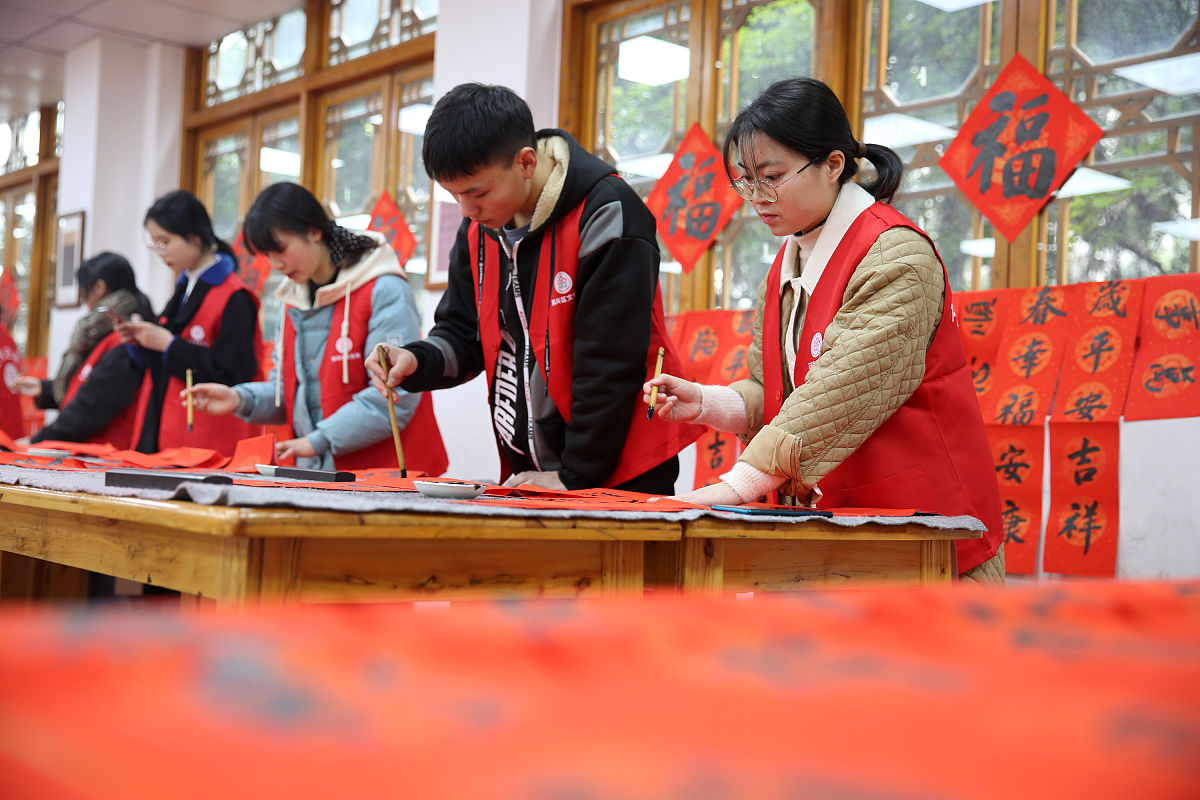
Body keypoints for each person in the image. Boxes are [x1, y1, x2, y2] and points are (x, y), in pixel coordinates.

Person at [643, 77, 1004, 582]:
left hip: (923, 532)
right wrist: (705, 403)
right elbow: (777, 391)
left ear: (834, 164)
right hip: (835, 531)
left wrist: (731, 489)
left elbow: (836, 397)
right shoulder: (789, 257)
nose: (756, 197)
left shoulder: (895, 256)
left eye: (770, 176)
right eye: (744, 180)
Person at [366, 82, 701, 493]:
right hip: (536, 472)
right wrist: (415, 360)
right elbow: (463, 336)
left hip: (618, 472)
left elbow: (610, 362)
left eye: (477, 193)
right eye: (454, 196)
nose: (466, 211)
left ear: (526, 162)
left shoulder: (605, 213)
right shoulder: (479, 230)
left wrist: (574, 476)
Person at [185, 182, 447, 473]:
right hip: (324, 474)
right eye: (267, 256)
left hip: (387, 475)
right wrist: (239, 397)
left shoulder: (384, 289)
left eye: (280, 249)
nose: (276, 264)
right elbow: (286, 393)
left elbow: (394, 395)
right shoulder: (293, 299)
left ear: (314, 230)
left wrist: (318, 439)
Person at [114, 190, 263, 456]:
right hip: (167, 431)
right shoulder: (184, 287)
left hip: (210, 443)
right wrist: (141, 340)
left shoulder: (235, 296)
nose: (160, 252)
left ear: (195, 236)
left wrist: (169, 344)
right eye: (154, 243)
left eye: (165, 241)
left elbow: (235, 373)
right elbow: (164, 360)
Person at [23, 252, 155, 446]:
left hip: (107, 459)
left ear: (100, 288)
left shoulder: (127, 338)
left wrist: (37, 441)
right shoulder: (101, 332)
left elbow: (92, 405)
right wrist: (45, 390)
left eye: (84, 294)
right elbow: (89, 384)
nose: (86, 305)